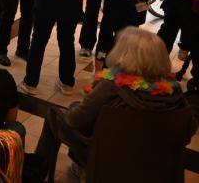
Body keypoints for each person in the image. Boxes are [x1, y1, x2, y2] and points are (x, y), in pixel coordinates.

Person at [35, 28, 196, 180]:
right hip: (155, 165)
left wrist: (75, 106)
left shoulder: (112, 85)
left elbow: (74, 119)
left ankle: (35, 173)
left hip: (107, 159)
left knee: (54, 115)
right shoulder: (173, 91)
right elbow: (190, 129)